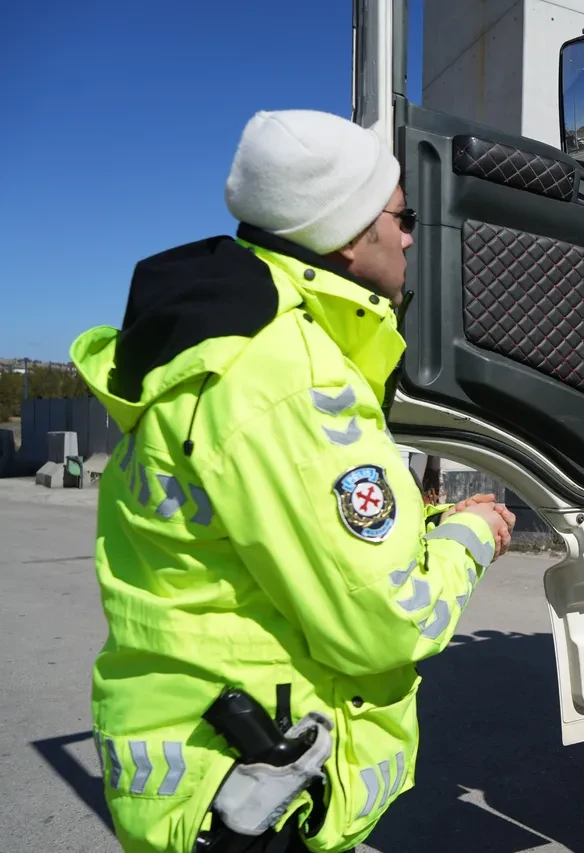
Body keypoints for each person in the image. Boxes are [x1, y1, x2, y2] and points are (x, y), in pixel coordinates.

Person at [70, 109, 515, 853]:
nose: (409, 236)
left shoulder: (228, 338)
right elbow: (384, 621)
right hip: (250, 796)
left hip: (202, 771)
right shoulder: (289, 378)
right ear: (347, 235)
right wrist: (470, 537)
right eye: (399, 216)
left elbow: (277, 543)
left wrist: (425, 527)